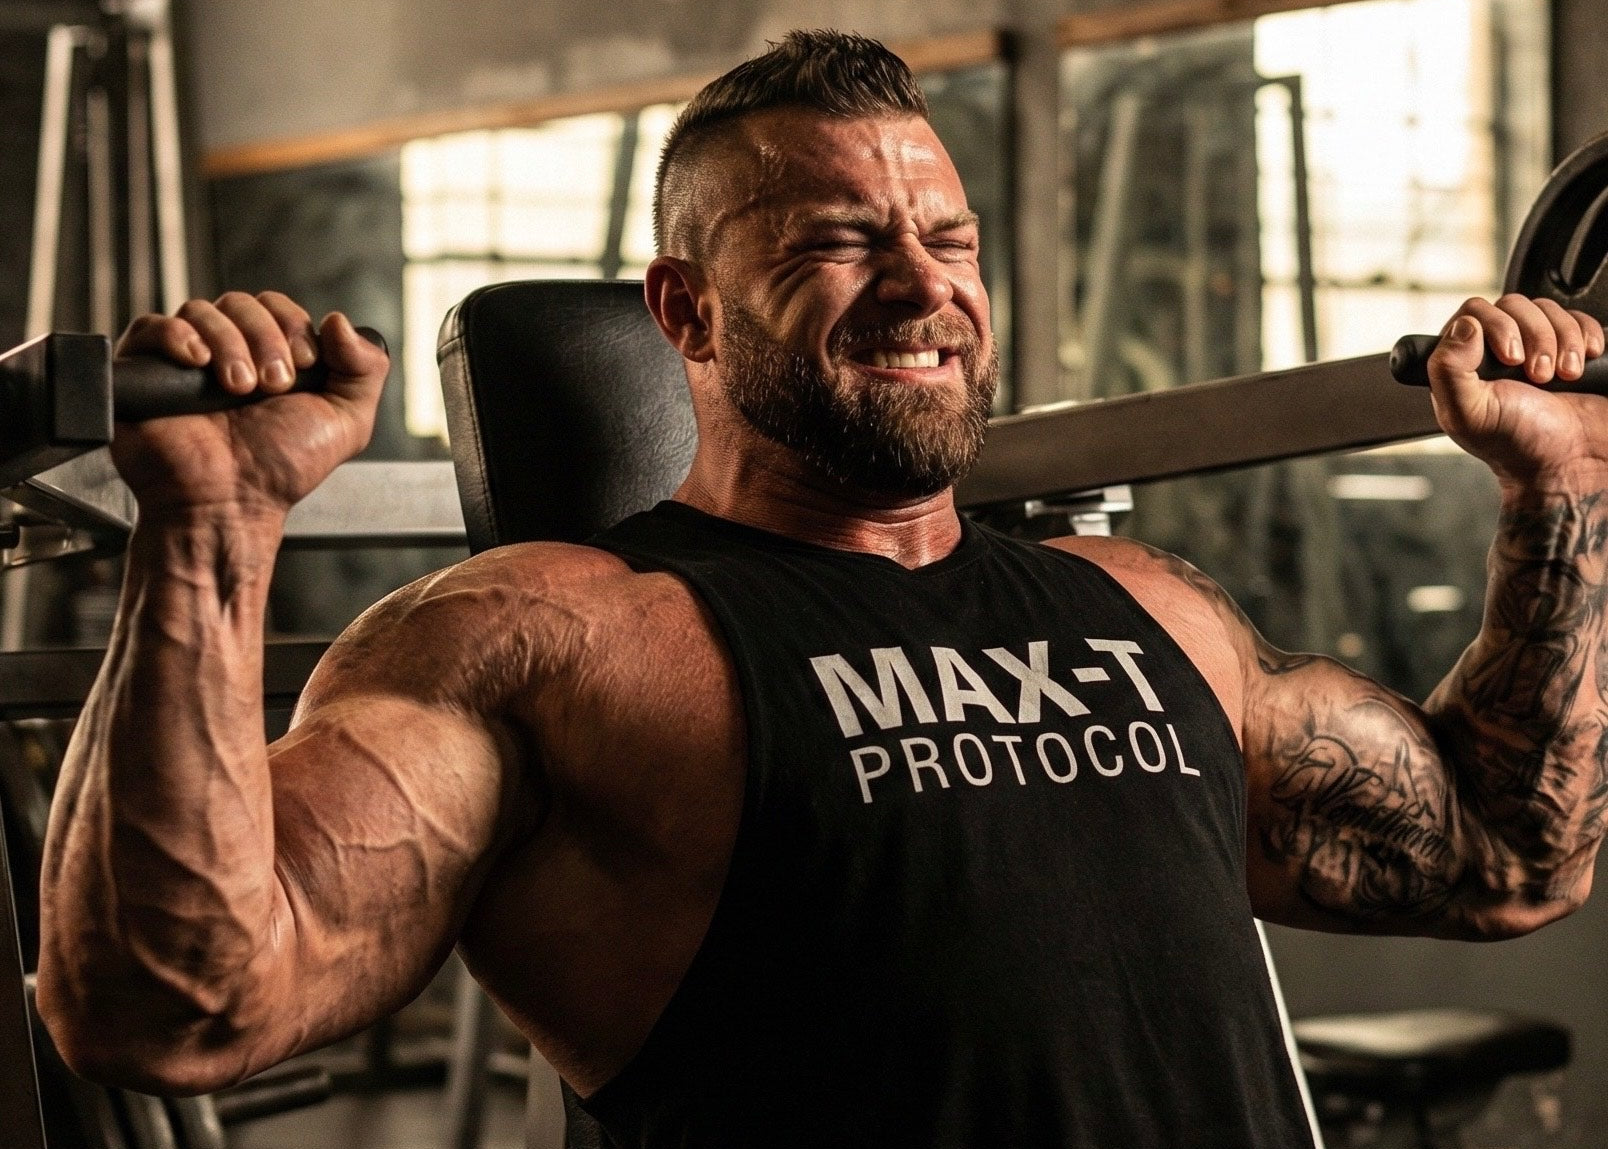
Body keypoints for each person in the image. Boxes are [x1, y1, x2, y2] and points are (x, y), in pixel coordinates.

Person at [35, 29, 1608, 1149]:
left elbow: (1506, 856)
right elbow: (168, 1009)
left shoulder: (1150, 608)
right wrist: (214, 527)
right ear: (687, 310)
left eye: (951, 238)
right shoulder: (547, 640)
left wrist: (1559, 488)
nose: (927, 288)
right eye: (844, 242)